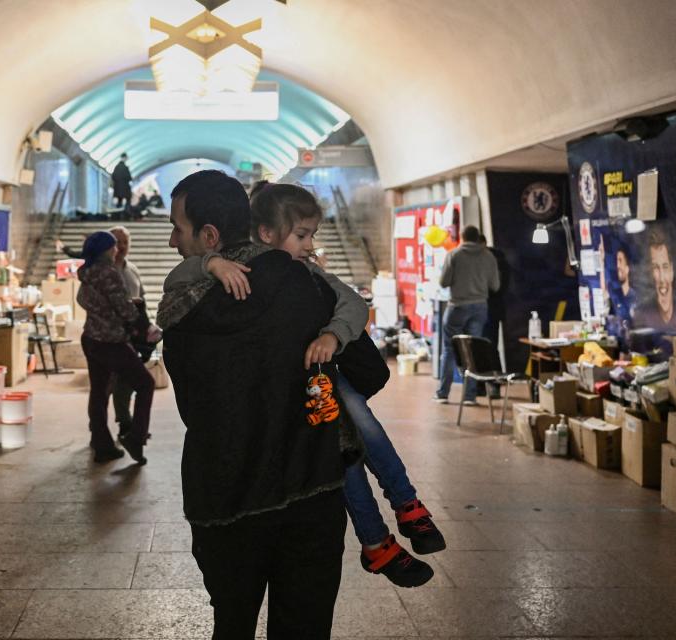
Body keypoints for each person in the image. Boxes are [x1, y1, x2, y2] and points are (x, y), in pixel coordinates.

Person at [161, 181, 446, 591]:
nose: (310, 245)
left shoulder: (308, 274)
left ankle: (403, 506)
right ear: (265, 233)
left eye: (310, 235)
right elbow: (178, 277)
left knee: (360, 431)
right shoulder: (239, 273)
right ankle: (378, 540)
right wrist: (210, 264)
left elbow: (352, 303)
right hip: (304, 414)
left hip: (318, 383)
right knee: (347, 454)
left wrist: (332, 336)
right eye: (302, 235)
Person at [158, 171, 351, 639]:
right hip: (312, 487)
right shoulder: (308, 282)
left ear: (208, 236)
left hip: (224, 497)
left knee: (233, 623)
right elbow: (372, 371)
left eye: (177, 229)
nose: (169, 240)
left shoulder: (182, 309)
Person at [75, 231, 154, 464]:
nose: (116, 250)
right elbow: (124, 308)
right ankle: (135, 437)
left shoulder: (87, 272)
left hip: (91, 338)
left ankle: (102, 444)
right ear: (105, 250)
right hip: (111, 341)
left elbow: (90, 301)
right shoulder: (108, 273)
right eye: (113, 247)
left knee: (99, 393)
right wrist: (142, 323)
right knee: (145, 384)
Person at [433, 225, 499, 405]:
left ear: (462, 237)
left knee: (448, 349)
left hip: (457, 307)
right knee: (472, 350)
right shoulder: (488, 256)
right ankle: (470, 396)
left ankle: (443, 393)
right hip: (479, 308)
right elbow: (495, 285)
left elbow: (444, 282)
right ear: (478, 237)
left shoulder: (454, 255)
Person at [633, 227, 676, 335]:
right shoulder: (641, 314)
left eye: (665, 266)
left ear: (672, 271)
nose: (662, 278)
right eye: (655, 267)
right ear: (650, 273)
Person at [478, 233, 509, 399]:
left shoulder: (491, 260)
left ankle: (491, 384)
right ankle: (484, 385)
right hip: (491, 309)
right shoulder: (496, 259)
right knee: (487, 347)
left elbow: (497, 287)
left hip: (488, 308)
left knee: (487, 347)